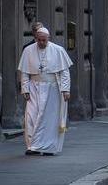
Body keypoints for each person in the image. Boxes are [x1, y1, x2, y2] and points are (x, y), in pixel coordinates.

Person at [18, 27, 73, 156]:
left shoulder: (58, 50)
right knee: (31, 117)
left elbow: (64, 72)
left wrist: (66, 89)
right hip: (34, 87)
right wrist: (25, 88)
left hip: (52, 89)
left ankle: (48, 147)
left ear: (48, 39)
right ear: (36, 39)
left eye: (44, 40)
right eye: (39, 40)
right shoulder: (28, 50)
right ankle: (32, 146)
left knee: (49, 119)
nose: (42, 43)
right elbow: (25, 72)